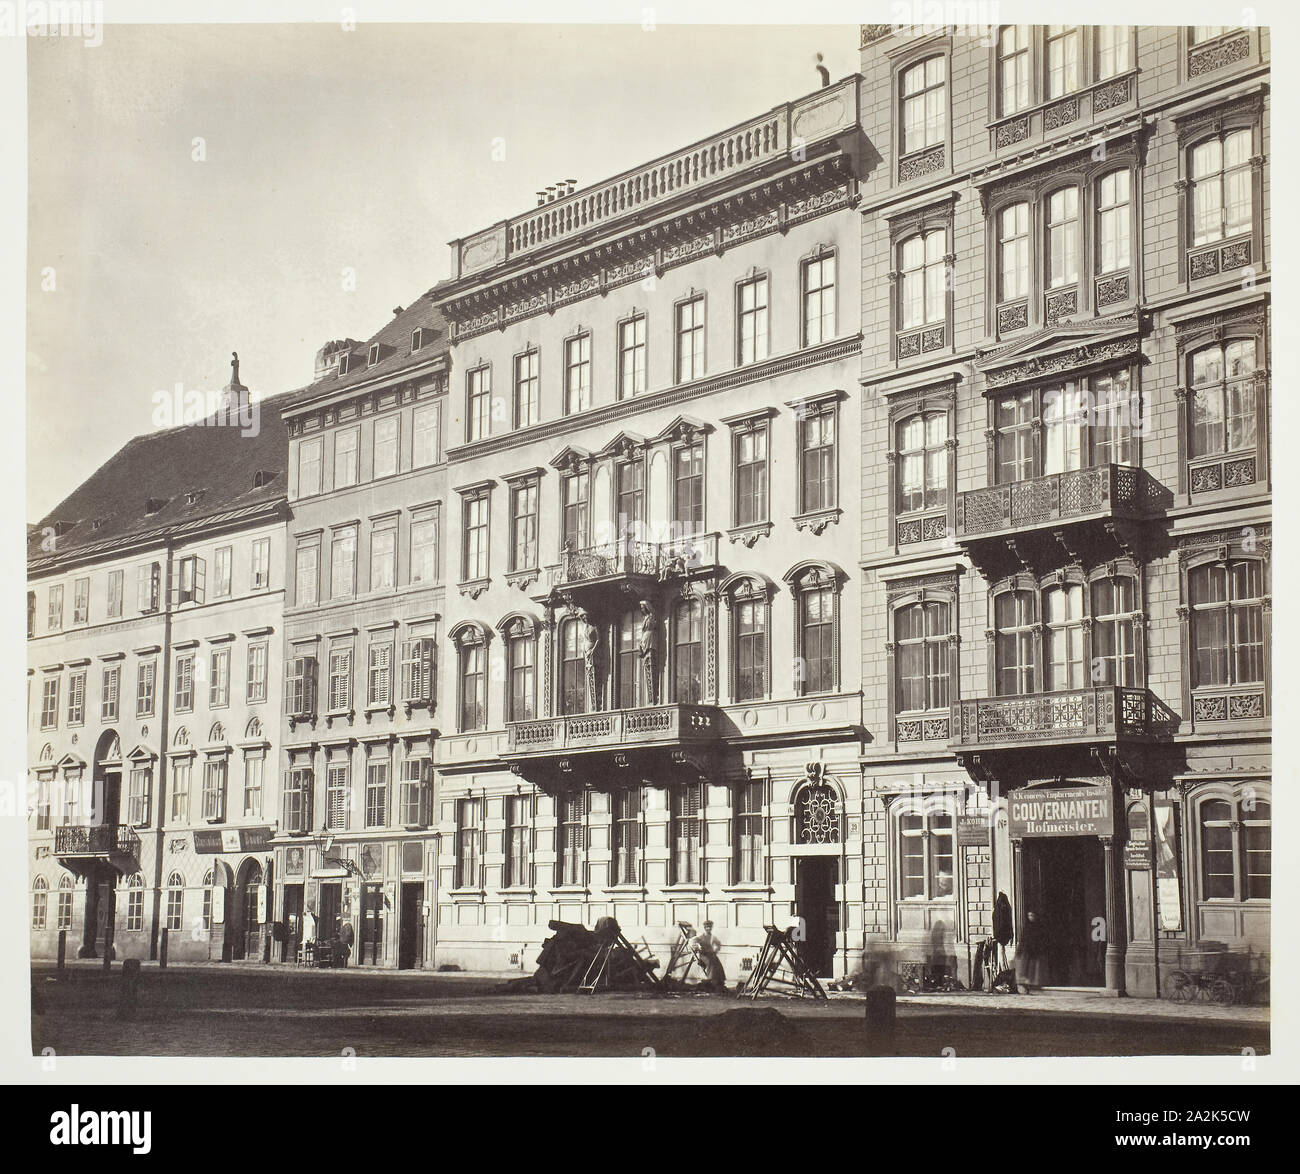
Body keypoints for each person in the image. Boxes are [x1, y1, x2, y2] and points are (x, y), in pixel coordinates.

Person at [1017, 911, 1048, 993]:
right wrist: (1020, 949)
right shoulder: (1026, 927)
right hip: (1027, 950)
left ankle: (1033, 983)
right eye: (1029, 915)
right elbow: (1022, 939)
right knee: (1026, 968)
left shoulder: (1039, 926)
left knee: (1034, 968)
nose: (1031, 917)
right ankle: (1027, 985)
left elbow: (1041, 937)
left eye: (1032, 915)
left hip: (1035, 950)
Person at [689, 921, 726, 991]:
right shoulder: (701, 936)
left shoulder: (712, 937)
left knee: (717, 962)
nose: (708, 929)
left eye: (710, 927)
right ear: (705, 928)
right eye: (707, 927)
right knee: (711, 963)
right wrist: (697, 947)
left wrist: (716, 950)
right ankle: (711, 980)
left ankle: (720, 981)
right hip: (703, 955)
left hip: (710, 954)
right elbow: (691, 941)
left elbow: (718, 943)